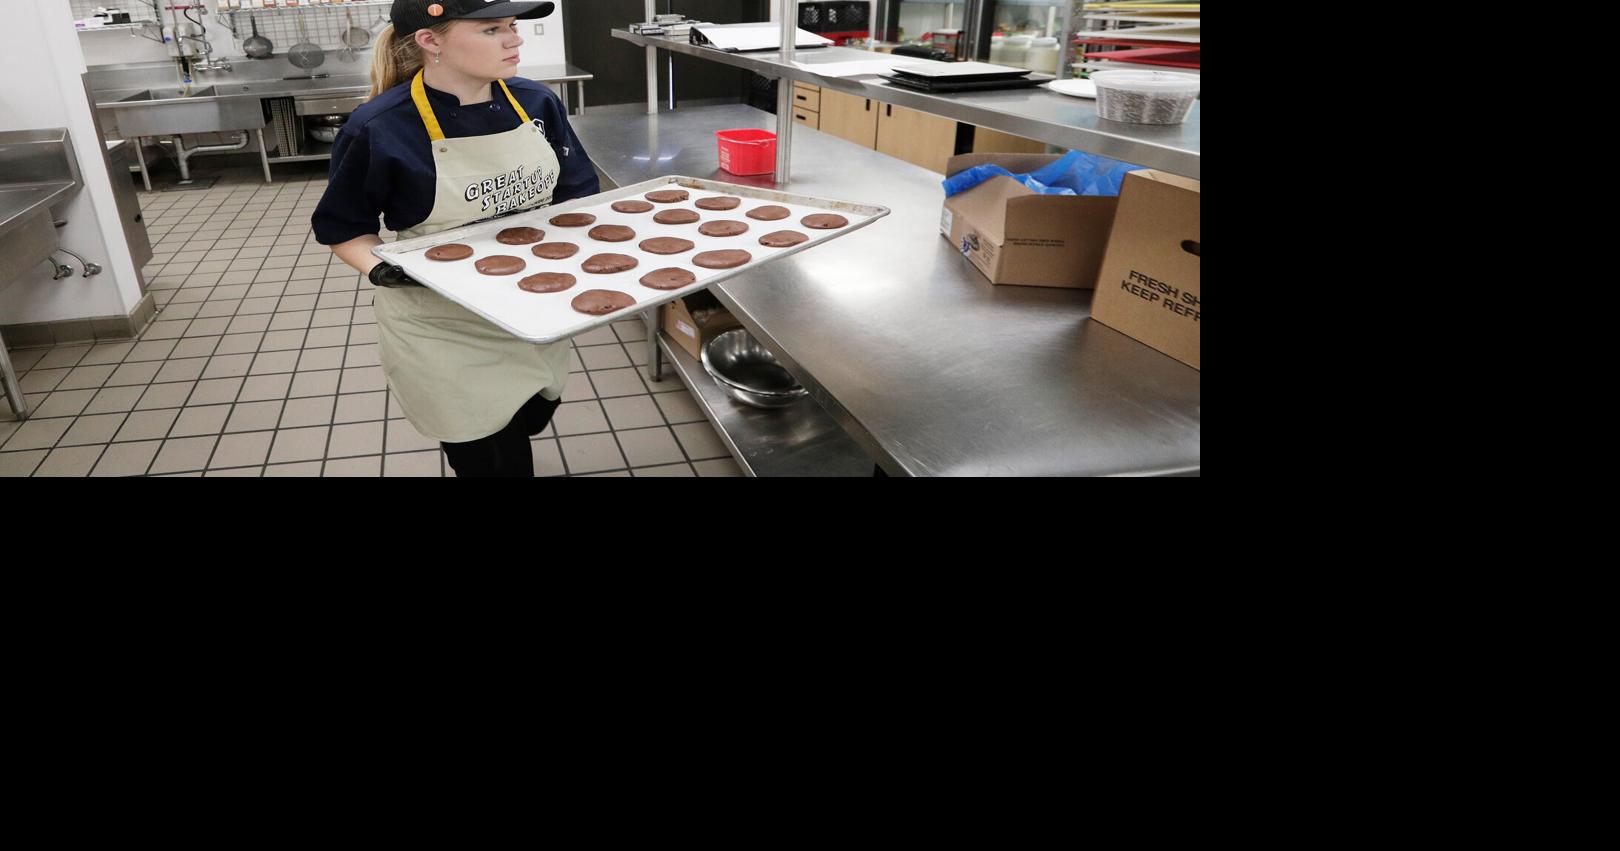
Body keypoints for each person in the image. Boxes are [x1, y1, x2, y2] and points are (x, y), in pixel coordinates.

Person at [312, 0, 599, 477]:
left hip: (531, 309)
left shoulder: (535, 102)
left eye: (512, 27)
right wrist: (383, 268)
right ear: (431, 41)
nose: (514, 39)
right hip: (443, 324)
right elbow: (343, 227)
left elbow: (574, 193)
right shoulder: (381, 127)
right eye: (491, 30)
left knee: (530, 414)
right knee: (489, 452)